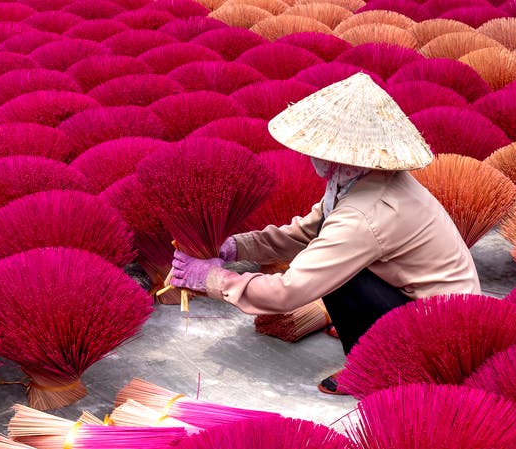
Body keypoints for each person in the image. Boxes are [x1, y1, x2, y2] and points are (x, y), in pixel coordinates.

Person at [169, 72, 481, 395]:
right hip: (430, 309)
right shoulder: (362, 179)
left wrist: (213, 280)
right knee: (327, 252)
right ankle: (377, 355)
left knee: (338, 274)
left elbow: (287, 292)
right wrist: (235, 248)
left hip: (442, 336)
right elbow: (309, 229)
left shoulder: (365, 213)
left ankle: (379, 369)